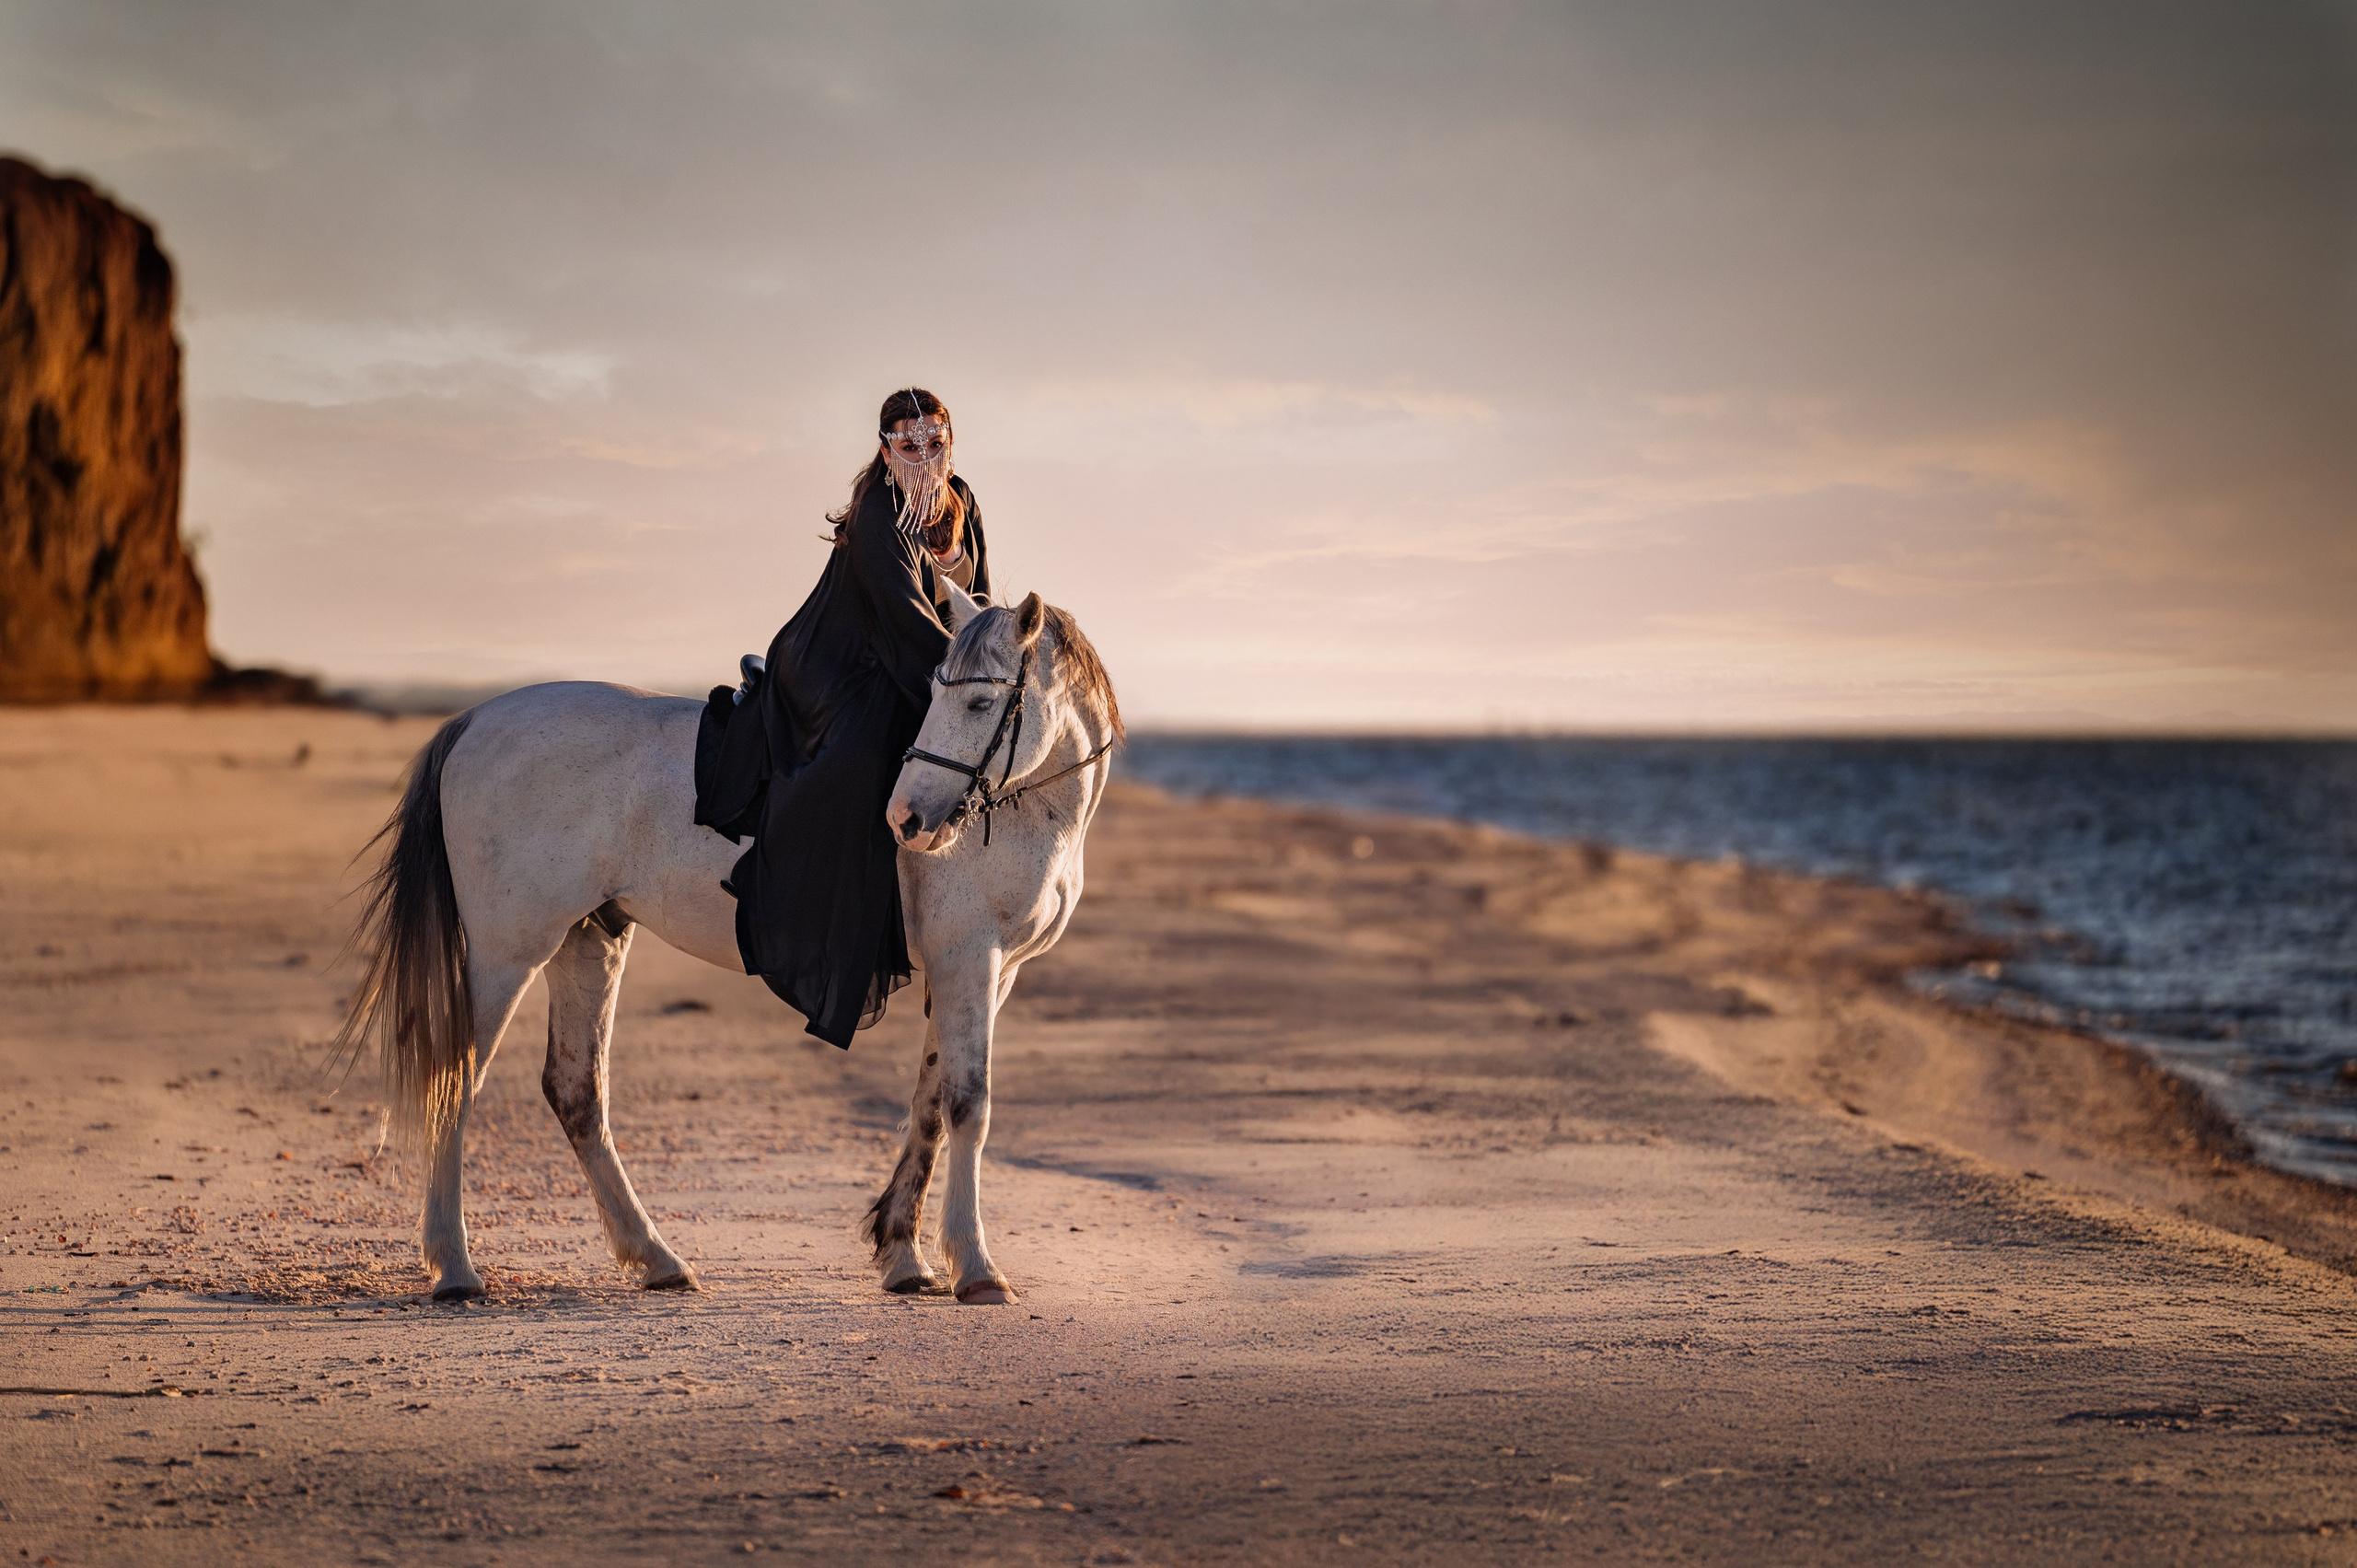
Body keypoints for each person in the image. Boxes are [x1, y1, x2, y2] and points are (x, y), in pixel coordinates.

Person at [694, 388, 990, 1047]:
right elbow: (903, 620)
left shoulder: (962, 500)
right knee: (861, 762)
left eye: (935, 442)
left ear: (951, 441)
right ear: (886, 450)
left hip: (921, 666)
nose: (923, 455)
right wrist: (960, 681)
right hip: (843, 664)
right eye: (908, 445)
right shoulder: (878, 510)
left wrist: (984, 670)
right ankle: (796, 900)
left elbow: (978, 602)